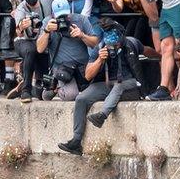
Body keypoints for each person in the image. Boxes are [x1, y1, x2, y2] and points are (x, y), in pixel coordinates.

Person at [58, 19, 142, 156]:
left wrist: (159, 56)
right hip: (109, 84)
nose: (113, 47)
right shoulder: (100, 47)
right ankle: (76, 141)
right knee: (81, 98)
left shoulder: (131, 43)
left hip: (130, 85)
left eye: (116, 44)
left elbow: (148, 51)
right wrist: (100, 60)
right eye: (111, 45)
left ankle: (102, 115)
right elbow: (88, 75)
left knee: (119, 86)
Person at [36, 0, 100, 101]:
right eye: (60, 16)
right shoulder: (47, 22)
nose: (63, 19)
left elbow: (94, 43)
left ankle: (59, 87)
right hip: (62, 67)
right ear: (53, 15)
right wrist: (47, 31)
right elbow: (39, 49)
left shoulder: (81, 19)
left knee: (92, 93)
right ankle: (56, 87)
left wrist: (82, 35)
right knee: (70, 95)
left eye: (65, 15)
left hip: (82, 66)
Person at [12, 0, 55, 102]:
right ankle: (25, 89)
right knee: (31, 50)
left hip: (43, 40)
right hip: (25, 41)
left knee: (41, 92)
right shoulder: (21, 9)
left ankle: (30, 84)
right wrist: (22, 25)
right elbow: (18, 32)